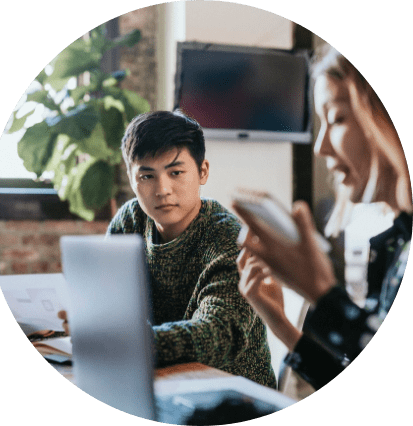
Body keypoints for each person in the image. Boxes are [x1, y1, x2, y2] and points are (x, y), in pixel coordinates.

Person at [234, 45, 412, 391]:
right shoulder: (395, 247)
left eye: (337, 119)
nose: (320, 146)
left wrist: (321, 292)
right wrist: (282, 325)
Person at [60, 110, 276, 388]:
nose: (162, 189)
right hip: (155, 381)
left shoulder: (229, 237)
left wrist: (126, 340)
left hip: (232, 393)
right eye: (147, 176)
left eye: (175, 172)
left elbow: (218, 334)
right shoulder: (131, 221)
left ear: (202, 172)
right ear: (131, 178)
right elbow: (106, 304)